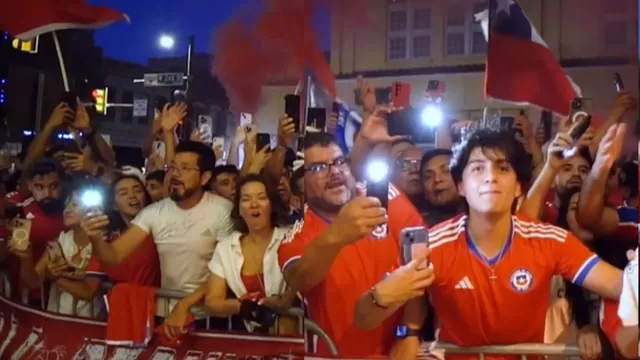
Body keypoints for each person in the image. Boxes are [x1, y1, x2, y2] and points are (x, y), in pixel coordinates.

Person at [377, 127, 624, 360]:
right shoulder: (433, 244)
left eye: (503, 168)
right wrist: (408, 333)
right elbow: (413, 295)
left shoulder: (551, 240)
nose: (490, 178)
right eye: (477, 169)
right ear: (461, 185)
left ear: (518, 186)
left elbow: (618, 286)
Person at [277, 132, 425, 357]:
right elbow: (300, 279)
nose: (334, 172)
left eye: (338, 162)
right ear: (301, 183)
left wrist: (408, 333)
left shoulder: (385, 197)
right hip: (339, 353)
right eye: (318, 168)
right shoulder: (298, 234)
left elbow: (419, 265)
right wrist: (336, 235)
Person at [81, 141, 233, 328]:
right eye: (173, 167)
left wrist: (186, 304)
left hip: (209, 317)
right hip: (166, 314)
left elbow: (226, 271)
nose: (176, 174)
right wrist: (95, 237)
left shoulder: (223, 211)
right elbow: (113, 256)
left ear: (204, 177)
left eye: (185, 168)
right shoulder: (154, 212)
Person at [202, 174, 296, 334]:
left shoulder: (292, 238)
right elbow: (212, 302)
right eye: (245, 199)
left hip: (292, 334)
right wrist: (246, 308)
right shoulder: (226, 249)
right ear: (238, 208)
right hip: (251, 337)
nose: (254, 204)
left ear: (272, 204)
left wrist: (286, 300)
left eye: (261, 198)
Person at [61, 174, 159, 305]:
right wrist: (55, 277)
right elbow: (89, 290)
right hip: (121, 311)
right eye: (123, 193)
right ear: (114, 205)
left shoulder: (160, 232)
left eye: (138, 190)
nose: (132, 196)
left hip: (160, 310)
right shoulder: (107, 241)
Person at [11, 184, 100, 317]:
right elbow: (33, 282)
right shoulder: (60, 241)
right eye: (67, 204)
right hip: (56, 320)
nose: (67, 210)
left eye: (75, 205)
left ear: (94, 210)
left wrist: (54, 278)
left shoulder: (102, 244)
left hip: (91, 321)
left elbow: (87, 292)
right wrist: (26, 258)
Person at [4, 159, 66, 305]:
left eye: (54, 186)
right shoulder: (19, 214)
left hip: (60, 294)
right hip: (22, 296)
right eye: (39, 186)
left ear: (62, 185)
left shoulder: (73, 212)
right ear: (30, 186)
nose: (47, 193)